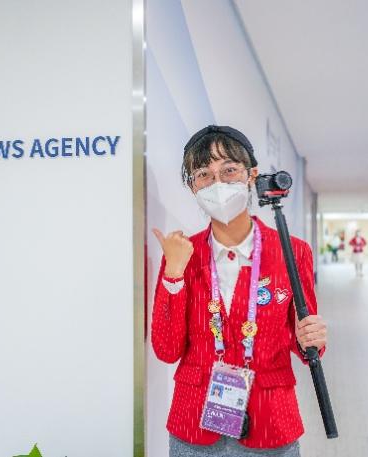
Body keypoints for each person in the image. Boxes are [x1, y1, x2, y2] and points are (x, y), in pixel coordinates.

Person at [151, 125, 327, 457]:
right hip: (195, 424)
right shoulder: (183, 254)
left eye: (229, 170)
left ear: (251, 174)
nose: (217, 183)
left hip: (271, 420)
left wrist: (312, 339)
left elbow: (306, 344)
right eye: (203, 174)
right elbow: (167, 349)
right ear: (192, 186)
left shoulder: (292, 252)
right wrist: (173, 273)